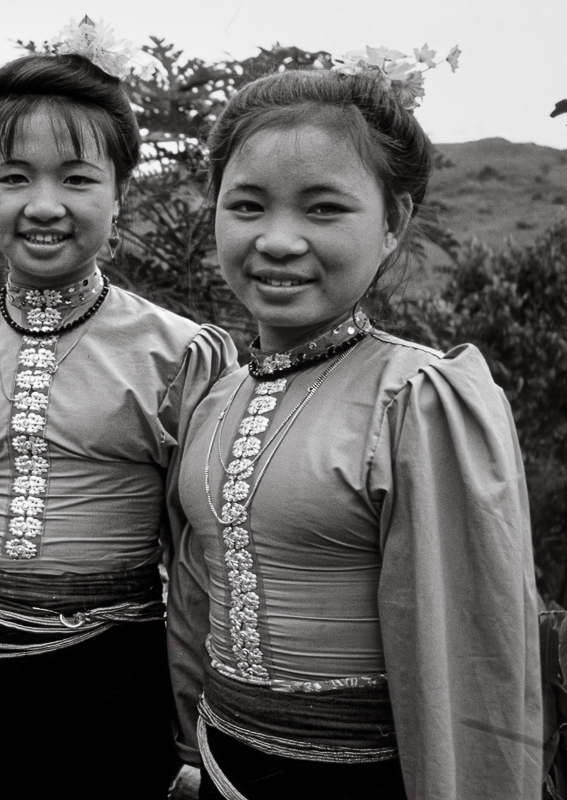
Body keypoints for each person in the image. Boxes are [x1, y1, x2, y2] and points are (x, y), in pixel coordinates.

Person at [0, 20, 237, 799]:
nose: (45, 205)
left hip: (122, 687)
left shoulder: (180, 355)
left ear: (120, 194)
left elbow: (204, 560)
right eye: (15, 178)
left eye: (78, 178)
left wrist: (194, 742)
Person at [168, 59, 541, 799]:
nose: (277, 240)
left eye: (323, 209)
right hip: (216, 768)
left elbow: (472, 664)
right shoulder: (214, 395)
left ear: (394, 222)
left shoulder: (419, 400)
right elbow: (192, 601)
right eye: (246, 206)